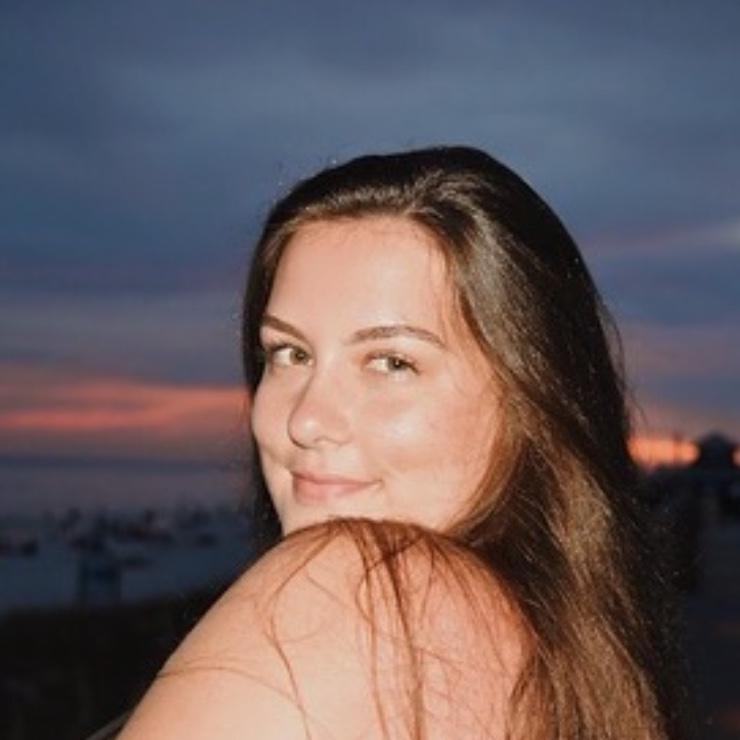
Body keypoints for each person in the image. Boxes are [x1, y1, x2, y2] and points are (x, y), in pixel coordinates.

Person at [117, 146, 691, 739]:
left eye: (392, 362)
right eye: (290, 353)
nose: (306, 420)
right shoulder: (556, 655)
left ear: (532, 397)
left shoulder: (360, 591)